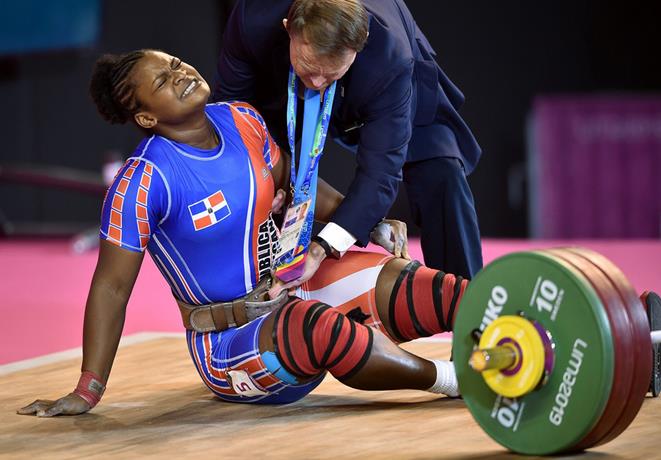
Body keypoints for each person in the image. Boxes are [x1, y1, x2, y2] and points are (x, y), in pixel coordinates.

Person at [17, 49, 472, 416]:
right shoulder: (141, 182)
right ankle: (456, 380)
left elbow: (297, 185)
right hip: (231, 342)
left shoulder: (240, 119)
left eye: (175, 63)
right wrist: (88, 388)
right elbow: (111, 288)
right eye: (163, 81)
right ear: (147, 118)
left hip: (295, 287)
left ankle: (502, 332)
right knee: (318, 326)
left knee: (420, 284)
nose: (180, 74)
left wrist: (365, 222)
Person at [213, 0, 484, 284]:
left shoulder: (390, 57)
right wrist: (265, 177)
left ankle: (467, 299)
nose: (318, 83)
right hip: (280, 84)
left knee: (441, 172)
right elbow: (231, 119)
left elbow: (381, 172)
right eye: (310, 67)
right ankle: (263, 282)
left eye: (330, 73)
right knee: (257, 171)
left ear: (361, 43)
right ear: (287, 28)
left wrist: (322, 247)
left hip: (380, 81)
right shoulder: (252, 19)